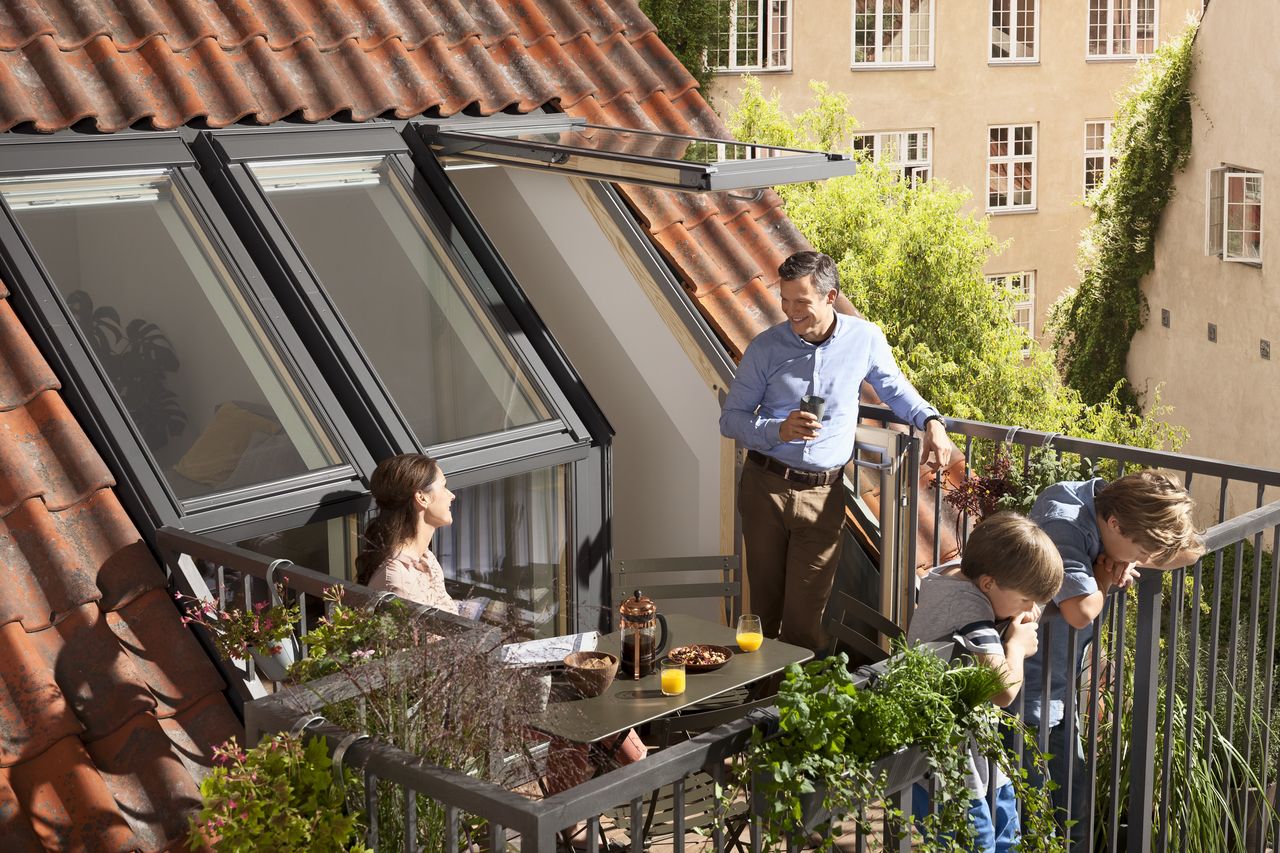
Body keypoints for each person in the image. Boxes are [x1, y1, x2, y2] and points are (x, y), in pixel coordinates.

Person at [355, 453, 645, 843]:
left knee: (580, 681)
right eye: (444, 487)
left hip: (474, 677)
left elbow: (445, 620)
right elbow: (433, 661)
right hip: (455, 704)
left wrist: (491, 617)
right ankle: (620, 778)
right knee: (579, 694)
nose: (453, 495)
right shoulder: (396, 576)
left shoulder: (424, 559)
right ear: (421, 499)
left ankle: (580, 808)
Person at [719, 251, 953, 651]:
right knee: (764, 611)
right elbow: (731, 420)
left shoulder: (864, 339)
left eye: (802, 303)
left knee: (806, 617)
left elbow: (894, 388)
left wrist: (931, 421)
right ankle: (756, 703)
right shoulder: (765, 349)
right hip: (765, 489)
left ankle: (790, 707)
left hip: (823, 496)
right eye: (785, 300)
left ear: (830, 297)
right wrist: (778, 429)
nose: (791, 312)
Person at [1023, 469, 1206, 843]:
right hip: (1024, 691)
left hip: (1057, 688)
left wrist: (1127, 559)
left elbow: (1190, 552)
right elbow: (1080, 611)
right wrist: (1103, 580)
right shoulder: (1063, 524)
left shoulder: (1107, 506)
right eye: (1140, 553)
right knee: (1029, 814)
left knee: (1073, 812)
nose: (1145, 560)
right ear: (1113, 522)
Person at [907, 512, 1064, 853]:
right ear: (989, 583)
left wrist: (1015, 610)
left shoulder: (953, 574)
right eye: (1026, 600)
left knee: (1007, 828)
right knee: (977, 842)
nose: (1033, 610)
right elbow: (1004, 691)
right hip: (948, 759)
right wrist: (1017, 647)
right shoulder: (970, 609)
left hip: (976, 749)